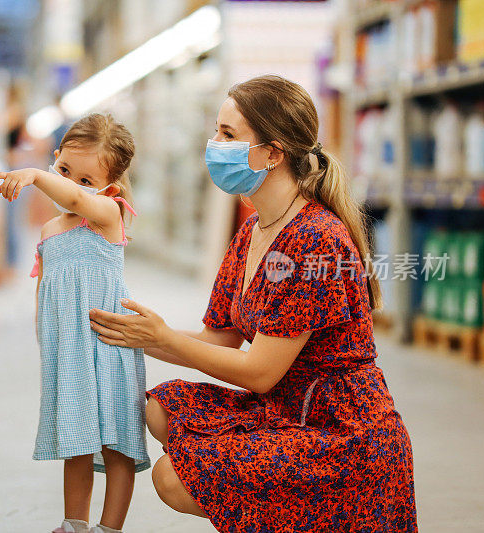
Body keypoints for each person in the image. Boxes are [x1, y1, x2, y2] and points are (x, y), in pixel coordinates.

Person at [89, 75, 417, 532]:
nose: (214, 145)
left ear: (272, 153)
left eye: (228, 135)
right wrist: (128, 332)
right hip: (287, 409)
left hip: (341, 432)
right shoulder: (255, 231)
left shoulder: (316, 239)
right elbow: (218, 338)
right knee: (160, 409)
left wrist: (161, 337)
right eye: (215, 131)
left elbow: (260, 373)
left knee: (175, 477)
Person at [0, 114, 149, 533]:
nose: (73, 185)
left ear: (110, 189)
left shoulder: (107, 216)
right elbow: (46, 293)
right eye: (64, 171)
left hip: (109, 345)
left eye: (87, 180)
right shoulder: (49, 230)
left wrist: (38, 175)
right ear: (55, 157)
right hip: (70, 353)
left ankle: (109, 528)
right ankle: (74, 524)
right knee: (76, 443)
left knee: (117, 444)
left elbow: (78, 202)